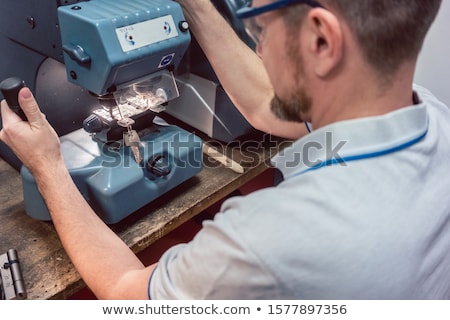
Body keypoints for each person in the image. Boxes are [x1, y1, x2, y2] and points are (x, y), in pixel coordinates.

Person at [1, 0, 449, 299]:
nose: (258, 44)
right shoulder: (433, 118)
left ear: (321, 41)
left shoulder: (268, 238)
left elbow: (124, 289)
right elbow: (261, 102)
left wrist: (48, 166)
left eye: (260, 28)